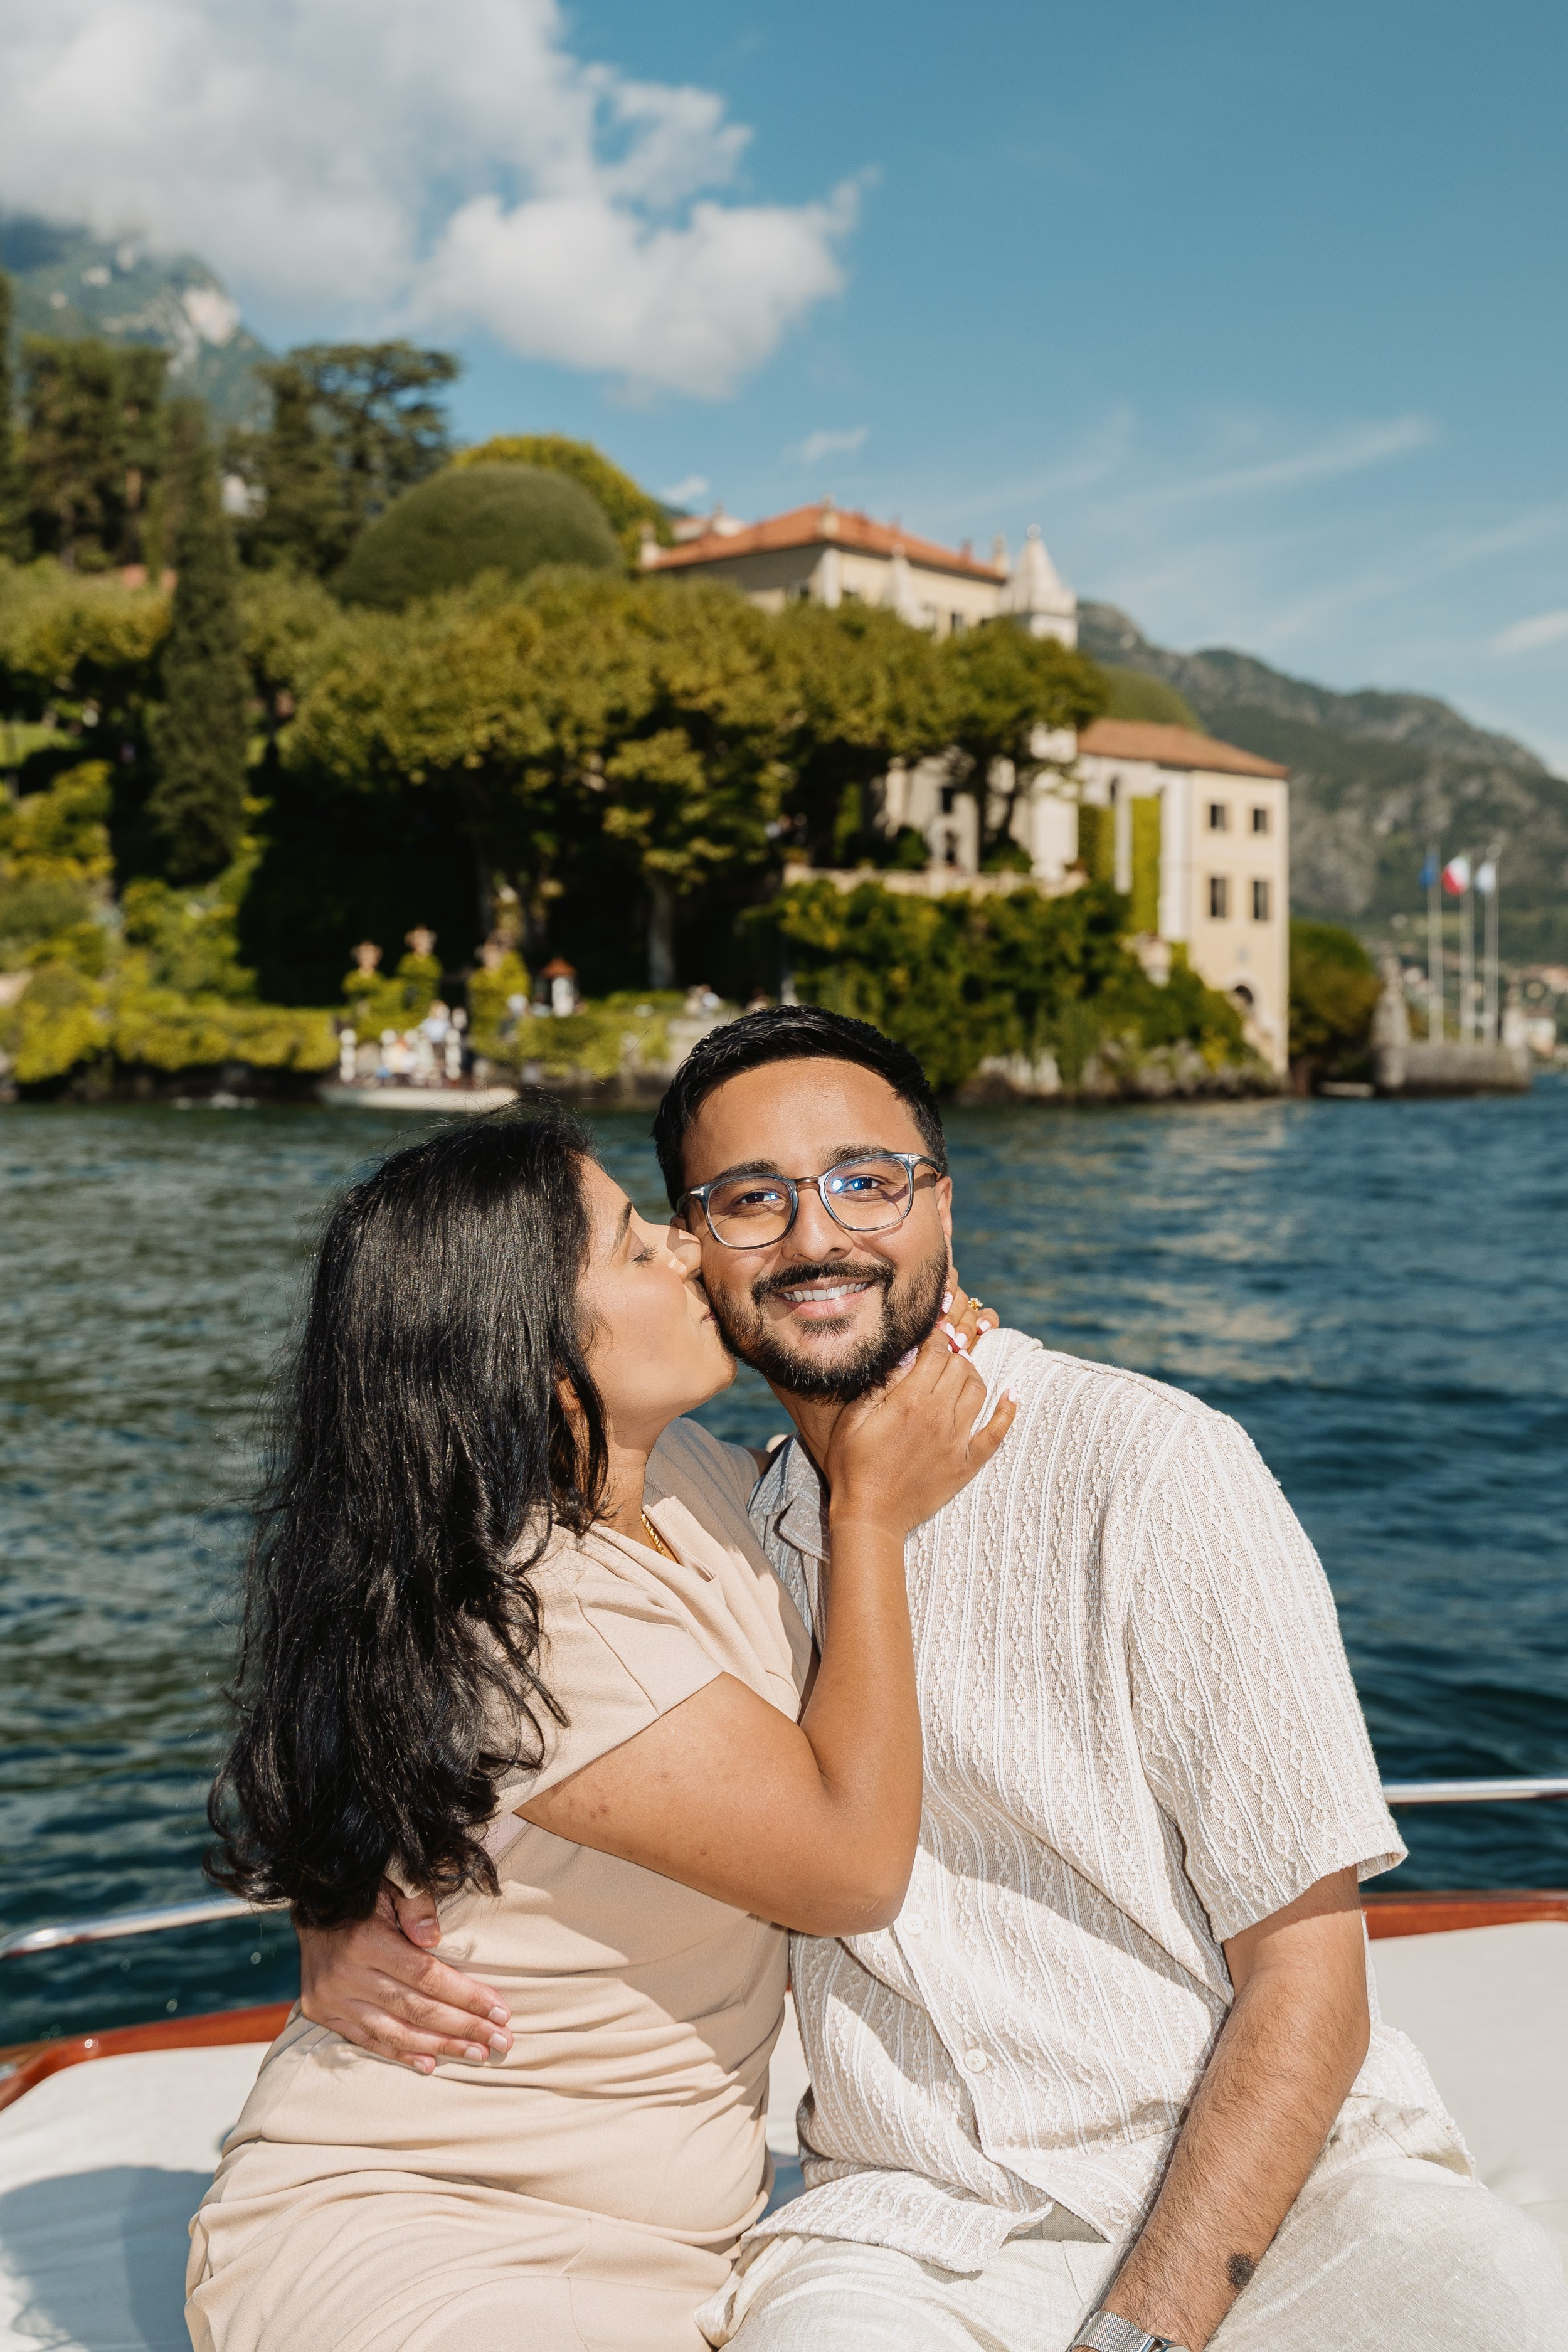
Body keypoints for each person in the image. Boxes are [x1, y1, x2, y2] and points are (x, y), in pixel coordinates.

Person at [310, 1008, 1568, 2352]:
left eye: (866, 1181)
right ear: (696, 1251)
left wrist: (1142, 2331)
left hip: (1283, 2189)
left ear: (942, 1208)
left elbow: (1308, 1979)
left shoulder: (1149, 1470)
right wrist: (333, 1893)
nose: (815, 1237)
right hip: (904, 2227)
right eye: (751, 1200)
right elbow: (416, 1606)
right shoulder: (721, 1513)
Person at [186, 1100, 1015, 2352]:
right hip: (433, 2239)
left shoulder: (672, 1478)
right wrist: (871, 1519)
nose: (688, 1252)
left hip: (655, 2253)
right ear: (522, 1346)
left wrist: (899, 1346)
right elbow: (847, 1871)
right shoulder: (536, 1606)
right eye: (636, 1247)